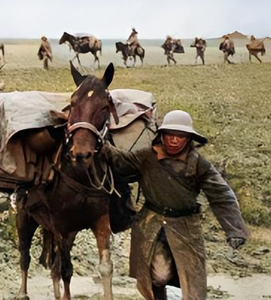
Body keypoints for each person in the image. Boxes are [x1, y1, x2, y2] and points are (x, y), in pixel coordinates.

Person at [101, 110, 248, 300]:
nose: (174, 141)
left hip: (185, 228)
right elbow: (121, 161)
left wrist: (235, 230)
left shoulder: (198, 165)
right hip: (151, 225)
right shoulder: (147, 157)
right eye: (170, 135)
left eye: (180, 136)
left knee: (193, 286)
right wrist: (100, 144)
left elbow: (222, 195)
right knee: (155, 277)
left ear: (188, 139)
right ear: (162, 135)